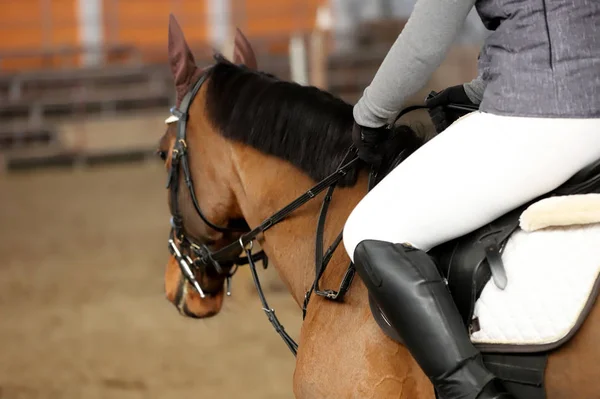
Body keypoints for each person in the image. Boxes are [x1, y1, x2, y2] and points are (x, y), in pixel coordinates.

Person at [342, 0, 600, 398]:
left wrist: (371, 115)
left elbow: (423, 44)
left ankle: (468, 391)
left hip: (537, 119)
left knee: (369, 229)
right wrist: (475, 90)